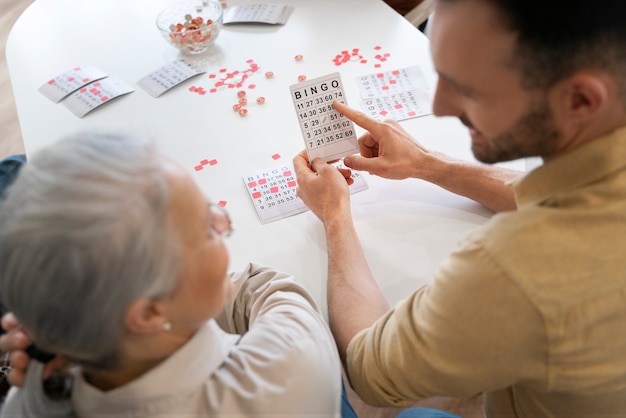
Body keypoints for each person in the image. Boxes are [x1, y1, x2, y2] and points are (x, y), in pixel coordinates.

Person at [293, 0, 626, 416]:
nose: (439, 106)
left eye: (468, 88)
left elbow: (369, 368)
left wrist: (334, 215)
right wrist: (428, 163)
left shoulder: (516, 268)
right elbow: (566, 194)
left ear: (580, 100)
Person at [0, 133, 344, 416]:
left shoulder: (33, 394)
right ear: (150, 312)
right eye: (209, 228)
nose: (225, 221)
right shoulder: (286, 374)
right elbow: (275, 293)